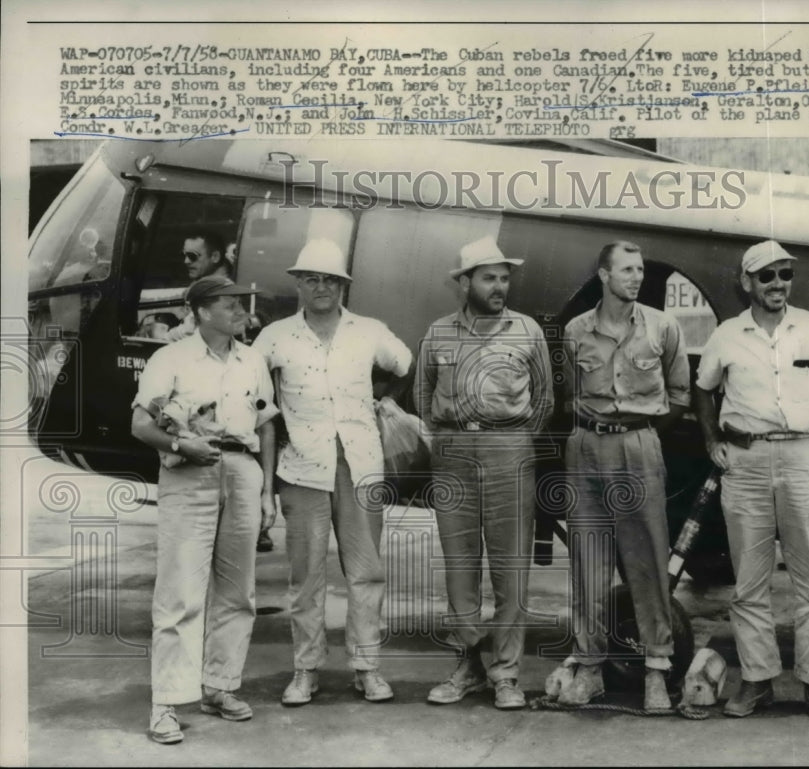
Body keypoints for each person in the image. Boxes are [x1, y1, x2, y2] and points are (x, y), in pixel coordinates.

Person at [692, 240, 809, 723]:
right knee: (749, 584)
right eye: (767, 276)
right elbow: (703, 390)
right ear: (745, 282)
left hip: (805, 460)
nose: (777, 285)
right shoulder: (727, 334)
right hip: (745, 463)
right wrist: (712, 442)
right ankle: (757, 681)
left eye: (785, 275)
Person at [252, 239, 412, 707]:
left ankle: (367, 668)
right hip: (301, 468)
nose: (321, 287)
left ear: (344, 285)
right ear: (298, 284)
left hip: (361, 465)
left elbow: (403, 363)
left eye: (330, 280)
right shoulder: (275, 337)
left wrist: (387, 399)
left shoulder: (368, 331)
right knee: (305, 576)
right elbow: (255, 395)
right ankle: (306, 670)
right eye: (311, 279)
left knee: (365, 572)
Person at [131, 275, 279, 744]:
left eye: (240, 304)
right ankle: (167, 704)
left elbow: (267, 423)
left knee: (239, 593)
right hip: (188, 472)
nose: (241, 311)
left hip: (241, 469)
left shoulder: (251, 359)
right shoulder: (169, 358)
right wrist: (180, 443)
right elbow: (139, 424)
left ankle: (220, 686)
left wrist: (265, 489)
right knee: (180, 592)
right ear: (201, 311)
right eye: (230, 304)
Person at [414, 235, 554, 710]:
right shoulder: (438, 333)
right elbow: (423, 396)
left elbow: (545, 400)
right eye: (489, 277)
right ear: (465, 283)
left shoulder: (527, 330)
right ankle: (468, 665)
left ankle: (507, 674)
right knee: (459, 566)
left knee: (510, 568)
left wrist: (510, 440)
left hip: (508, 450)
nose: (500, 286)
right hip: (452, 451)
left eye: (504, 277)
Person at [553, 240, 690, 713]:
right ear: (604, 275)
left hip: (638, 446)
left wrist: (639, 431)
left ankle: (656, 670)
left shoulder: (663, 326)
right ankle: (589, 668)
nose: (636, 277)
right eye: (627, 269)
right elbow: (568, 395)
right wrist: (599, 431)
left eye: (640, 269)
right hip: (586, 447)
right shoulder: (576, 330)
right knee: (587, 562)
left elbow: (679, 395)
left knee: (647, 560)